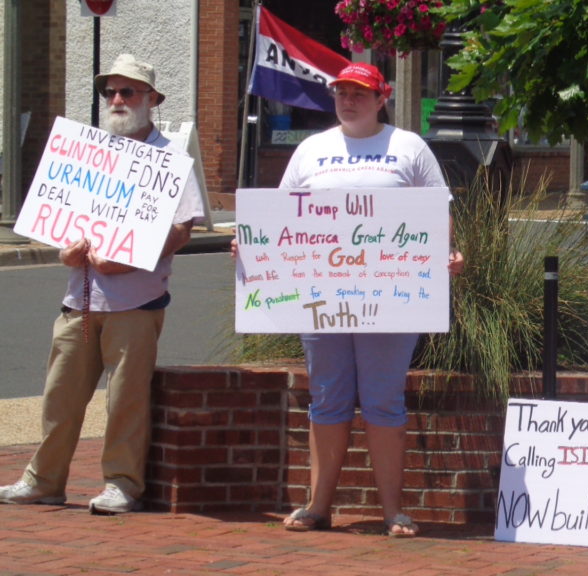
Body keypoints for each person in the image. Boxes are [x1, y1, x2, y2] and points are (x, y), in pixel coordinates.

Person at [235, 62, 463, 536]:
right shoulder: (311, 149)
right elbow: (280, 216)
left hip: (392, 297)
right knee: (327, 398)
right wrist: (253, 245)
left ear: (382, 98)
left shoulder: (409, 147)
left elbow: (437, 212)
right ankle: (317, 507)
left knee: (383, 400)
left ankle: (393, 512)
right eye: (342, 92)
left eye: (359, 93)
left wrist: (448, 252)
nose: (349, 100)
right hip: (322, 298)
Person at [0, 54, 204, 514]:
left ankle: (121, 484)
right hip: (79, 298)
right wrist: (65, 253)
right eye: (109, 91)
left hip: (136, 301)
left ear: (151, 99)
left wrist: (127, 262)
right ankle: (43, 480)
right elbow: (66, 225)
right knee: (59, 397)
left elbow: (182, 229)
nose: (116, 99)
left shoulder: (171, 159)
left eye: (127, 91)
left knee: (126, 400)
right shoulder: (90, 153)